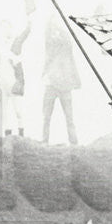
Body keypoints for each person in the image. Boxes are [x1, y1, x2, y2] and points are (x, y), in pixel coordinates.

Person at [42, 13, 82, 144]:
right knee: (46, 116)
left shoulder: (66, 41)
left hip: (65, 82)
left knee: (69, 116)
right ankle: (44, 141)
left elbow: (68, 41)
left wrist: (60, 27)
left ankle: (74, 142)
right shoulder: (49, 39)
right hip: (51, 82)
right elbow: (50, 39)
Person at [0, 16, 32, 136]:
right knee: (4, 112)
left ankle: (21, 133)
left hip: (14, 82)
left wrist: (29, 21)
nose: (5, 30)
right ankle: (8, 135)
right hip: (1, 82)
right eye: (2, 28)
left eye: (7, 27)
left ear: (10, 29)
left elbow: (25, 33)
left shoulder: (15, 43)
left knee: (18, 110)